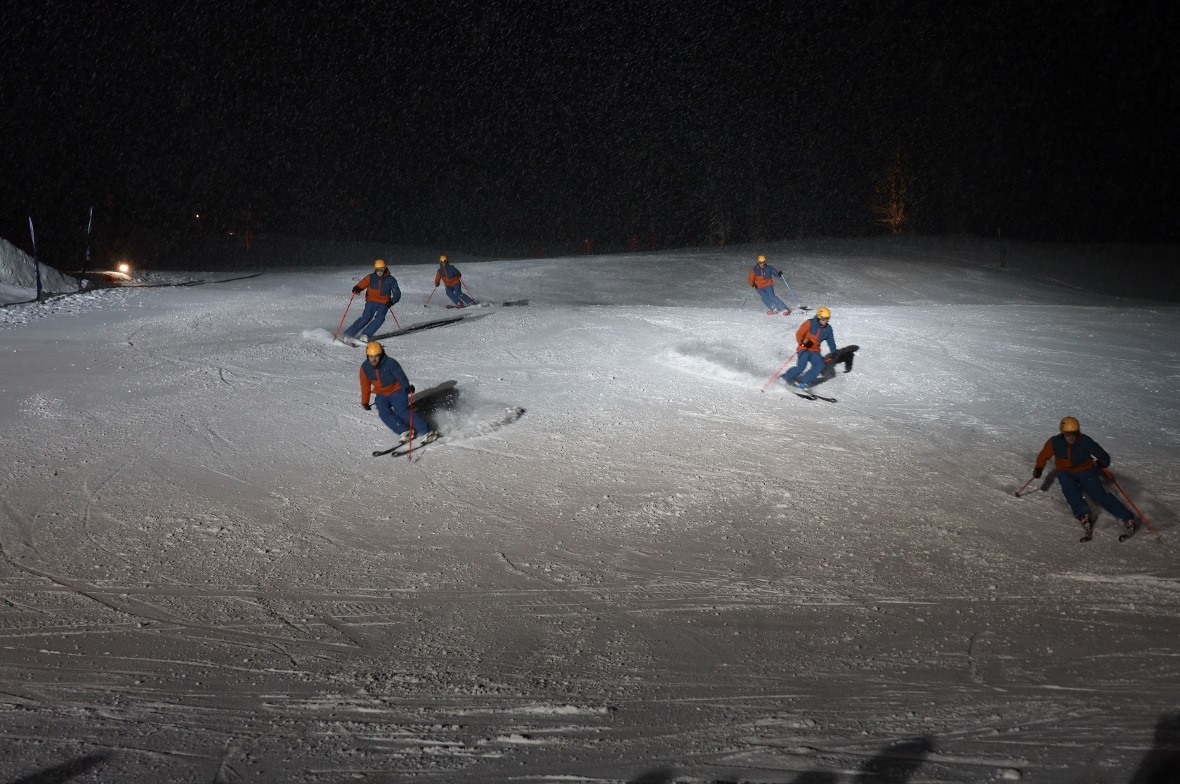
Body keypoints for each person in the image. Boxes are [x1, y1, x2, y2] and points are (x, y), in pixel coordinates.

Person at [1032, 416, 1137, 538]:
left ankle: (1128, 517)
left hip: (1085, 469)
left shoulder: (1085, 441)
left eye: (1073, 434)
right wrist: (1038, 468)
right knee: (1069, 489)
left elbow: (1103, 455)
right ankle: (1083, 514)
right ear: (1062, 433)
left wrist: (1102, 462)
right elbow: (1043, 455)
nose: (1071, 437)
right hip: (1065, 471)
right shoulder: (1055, 442)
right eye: (1067, 434)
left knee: (1099, 494)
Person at [360, 341, 436, 444]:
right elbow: (365, 385)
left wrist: (406, 387)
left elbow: (401, 376)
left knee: (401, 410)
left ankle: (428, 432)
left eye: (377, 356)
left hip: (396, 390)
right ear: (367, 356)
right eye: (371, 356)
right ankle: (404, 430)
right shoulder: (365, 368)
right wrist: (365, 402)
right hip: (382, 393)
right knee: (383, 413)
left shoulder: (390, 363)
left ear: (381, 354)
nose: (374, 359)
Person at [781, 306, 837, 392]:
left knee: (820, 364)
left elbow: (831, 341)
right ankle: (785, 378)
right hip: (804, 348)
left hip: (814, 350)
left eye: (827, 319)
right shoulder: (809, 323)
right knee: (801, 367)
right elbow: (799, 334)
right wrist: (803, 340)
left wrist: (834, 353)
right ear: (818, 317)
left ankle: (803, 382)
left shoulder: (828, 329)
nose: (825, 322)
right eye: (823, 319)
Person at [344, 259, 401, 341]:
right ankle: (348, 334)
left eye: (381, 270)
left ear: (385, 269)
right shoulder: (370, 277)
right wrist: (357, 288)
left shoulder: (391, 280)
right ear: (375, 269)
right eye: (377, 270)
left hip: (384, 303)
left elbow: (397, 294)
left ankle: (365, 334)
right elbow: (362, 284)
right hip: (371, 301)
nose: (379, 272)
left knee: (380, 318)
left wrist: (391, 301)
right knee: (366, 317)